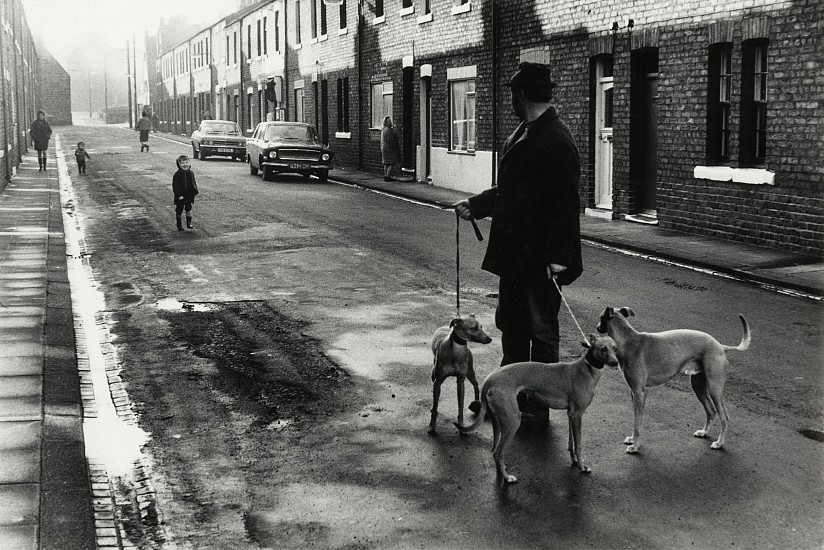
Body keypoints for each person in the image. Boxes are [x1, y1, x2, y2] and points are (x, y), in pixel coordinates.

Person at [453, 61, 583, 374]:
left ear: (521, 95)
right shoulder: (524, 133)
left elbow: (565, 203)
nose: (511, 101)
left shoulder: (556, 140)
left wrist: (559, 256)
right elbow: (514, 190)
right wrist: (479, 204)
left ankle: (537, 403)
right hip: (515, 256)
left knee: (541, 332)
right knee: (512, 327)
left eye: (513, 94)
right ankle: (511, 393)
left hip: (540, 259)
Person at [172, 155, 199, 230]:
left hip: (188, 194)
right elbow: (175, 186)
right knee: (179, 209)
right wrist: (178, 195)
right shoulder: (177, 174)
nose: (185, 165)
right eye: (182, 163)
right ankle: (179, 223)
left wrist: (194, 192)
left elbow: (193, 183)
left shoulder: (191, 173)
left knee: (188, 208)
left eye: (186, 162)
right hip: (180, 195)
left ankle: (189, 223)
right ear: (179, 164)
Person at [380, 116, 401, 182]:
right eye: (389, 121)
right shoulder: (388, 130)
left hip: (384, 148)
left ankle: (386, 176)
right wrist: (395, 148)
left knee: (386, 163)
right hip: (389, 149)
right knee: (391, 163)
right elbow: (391, 140)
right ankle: (388, 177)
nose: (391, 122)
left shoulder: (383, 130)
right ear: (386, 122)